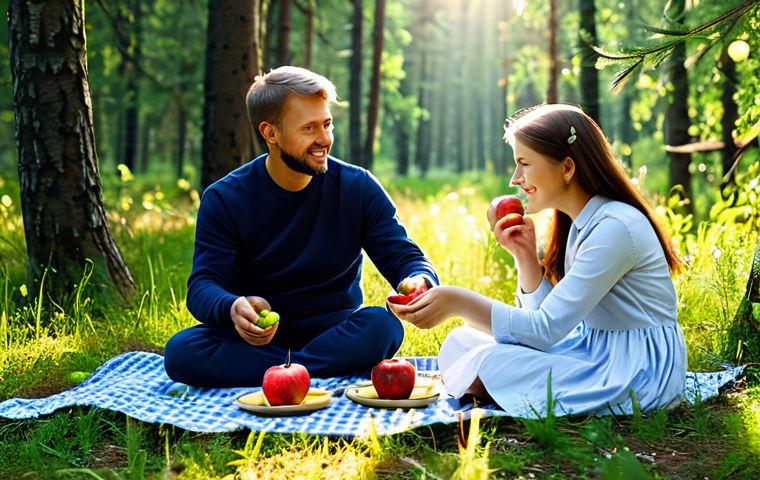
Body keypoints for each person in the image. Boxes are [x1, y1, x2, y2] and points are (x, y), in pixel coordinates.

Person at [388, 104, 687, 416]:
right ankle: (500, 383)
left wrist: (456, 302)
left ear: (567, 168)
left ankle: (500, 384)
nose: (515, 179)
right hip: (595, 350)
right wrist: (525, 257)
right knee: (462, 341)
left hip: (636, 372)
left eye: (524, 164)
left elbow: (543, 332)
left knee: (492, 362)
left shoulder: (615, 227)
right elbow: (548, 326)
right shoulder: (583, 222)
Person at [164, 66, 438, 387]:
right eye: (309, 128)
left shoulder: (358, 186)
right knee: (181, 351)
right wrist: (231, 306)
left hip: (336, 331)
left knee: (382, 325)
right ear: (271, 133)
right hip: (257, 342)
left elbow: (404, 257)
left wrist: (418, 281)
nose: (324, 139)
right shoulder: (224, 198)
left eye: (327, 124)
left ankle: (283, 375)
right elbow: (203, 285)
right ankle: (303, 371)